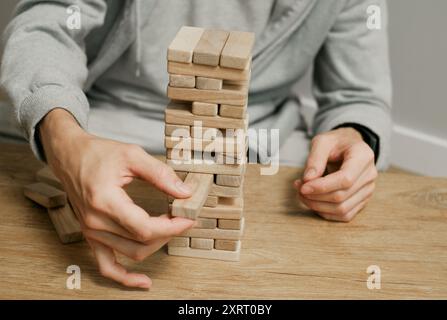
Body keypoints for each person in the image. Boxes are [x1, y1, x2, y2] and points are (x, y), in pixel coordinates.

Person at [0, 0, 391, 288]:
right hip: (107, 126)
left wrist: (356, 134)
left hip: (265, 135)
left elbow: (357, 95)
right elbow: (47, 23)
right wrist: (65, 141)